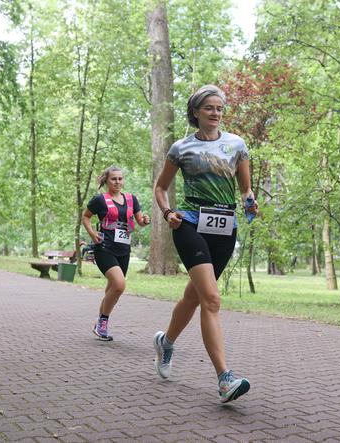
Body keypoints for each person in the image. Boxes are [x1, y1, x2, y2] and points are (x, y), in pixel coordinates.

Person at [152, 85, 258, 403]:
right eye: (209, 108)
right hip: (190, 223)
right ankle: (225, 378)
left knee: (194, 296)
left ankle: (166, 342)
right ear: (196, 111)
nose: (215, 113)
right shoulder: (181, 148)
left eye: (220, 108)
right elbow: (160, 187)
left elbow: (245, 189)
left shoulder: (237, 145)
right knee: (211, 298)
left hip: (225, 227)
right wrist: (169, 212)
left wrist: (250, 202)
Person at [82, 166, 150, 341]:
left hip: (123, 251)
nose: (117, 182)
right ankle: (103, 321)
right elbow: (86, 217)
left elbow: (140, 221)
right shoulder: (99, 200)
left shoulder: (131, 199)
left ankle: (99, 324)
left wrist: (145, 220)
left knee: (112, 288)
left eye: (120, 179)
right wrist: (91, 233)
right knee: (119, 285)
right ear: (107, 180)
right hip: (104, 248)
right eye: (114, 179)